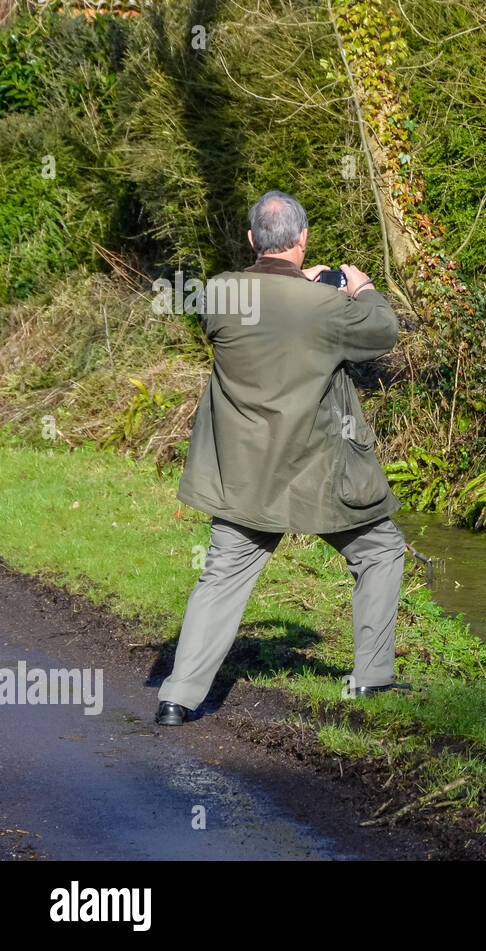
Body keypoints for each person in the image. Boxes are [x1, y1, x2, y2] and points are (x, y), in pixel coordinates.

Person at [155, 190, 408, 726]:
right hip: (322, 474)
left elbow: (262, 314)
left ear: (251, 240)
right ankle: (371, 679)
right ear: (303, 240)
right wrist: (358, 285)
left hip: (245, 477)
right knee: (381, 551)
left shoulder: (218, 295)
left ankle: (177, 697)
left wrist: (298, 286)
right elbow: (382, 331)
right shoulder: (328, 306)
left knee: (221, 578)